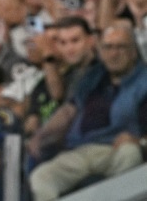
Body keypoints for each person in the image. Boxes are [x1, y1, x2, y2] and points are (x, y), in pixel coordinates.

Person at [28, 25, 147, 200]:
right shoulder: (94, 76)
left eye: (120, 47)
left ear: (133, 52)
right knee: (41, 177)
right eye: (108, 47)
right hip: (80, 150)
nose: (114, 53)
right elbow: (69, 110)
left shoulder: (144, 81)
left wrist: (140, 141)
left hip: (114, 149)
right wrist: (41, 138)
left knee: (130, 153)